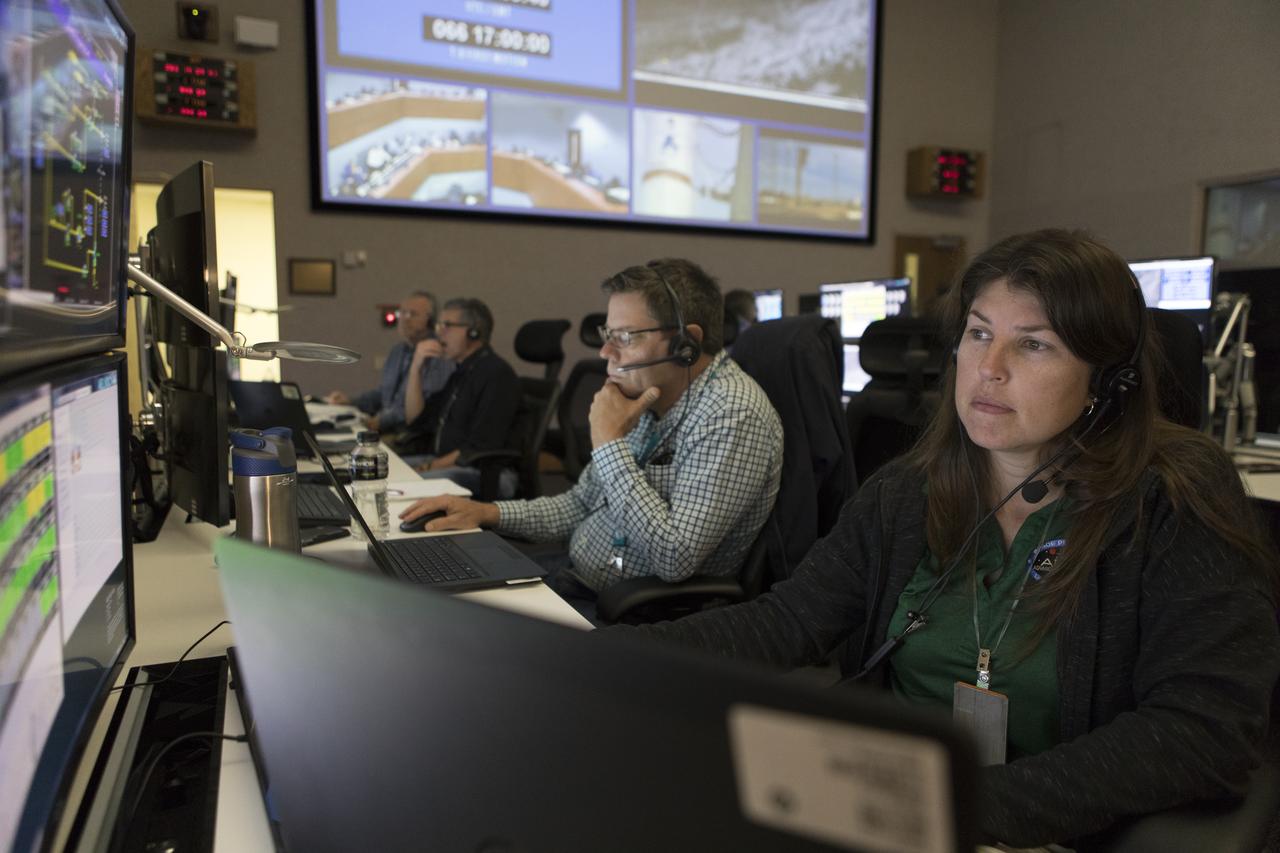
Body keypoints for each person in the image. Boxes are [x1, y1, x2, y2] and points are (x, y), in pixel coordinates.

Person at [609, 230, 1280, 848]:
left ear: (1108, 380)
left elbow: (1207, 728)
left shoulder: (1173, 500)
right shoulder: (907, 493)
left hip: (1027, 828)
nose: (989, 367)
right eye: (979, 333)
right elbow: (786, 620)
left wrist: (963, 806)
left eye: (1034, 343)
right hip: (880, 811)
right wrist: (603, 659)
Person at [399, 258, 784, 601]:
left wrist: (609, 443)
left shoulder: (733, 413)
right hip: (575, 573)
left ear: (687, 343)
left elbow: (674, 557)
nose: (605, 353)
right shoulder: (648, 396)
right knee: (422, 586)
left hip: (632, 614)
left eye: (625, 337)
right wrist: (485, 512)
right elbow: (580, 503)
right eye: (608, 334)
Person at [396, 298, 520, 495]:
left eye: (447, 325)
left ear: (474, 332)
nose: (438, 332)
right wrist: (416, 368)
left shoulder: (496, 374)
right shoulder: (460, 373)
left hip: (483, 472)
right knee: (380, 471)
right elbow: (415, 420)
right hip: (444, 462)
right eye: (439, 325)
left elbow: (477, 448)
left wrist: (428, 467)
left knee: (399, 485)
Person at [325, 290, 454, 432]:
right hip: (386, 429)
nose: (405, 319)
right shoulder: (398, 351)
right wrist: (350, 401)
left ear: (431, 321)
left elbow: (425, 406)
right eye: (402, 313)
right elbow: (383, 394)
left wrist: (381, 421)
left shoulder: (438, 355)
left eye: (412, 314)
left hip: (409, 436)